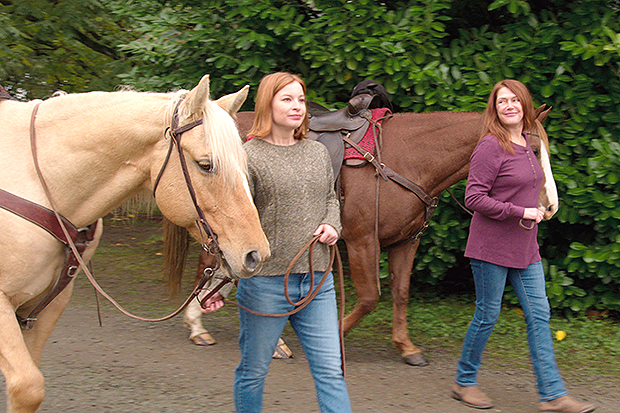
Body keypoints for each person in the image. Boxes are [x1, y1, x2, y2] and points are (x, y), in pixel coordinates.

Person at [201, 72, 352, 413]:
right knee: (254, 372)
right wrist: (218, 286)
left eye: (300, 99)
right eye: (287, 99)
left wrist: (332, 224)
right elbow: (232, 226)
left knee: (331, 372)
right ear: (267, 104)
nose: (297, 106)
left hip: (318, 283)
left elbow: (330, 198)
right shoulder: (247, 156)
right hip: (265, 284)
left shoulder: (316, 152)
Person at [451, 79, 595, 413]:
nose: (510, 106)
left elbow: (532, 185)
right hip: (490, 247)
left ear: (526, 105)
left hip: (525, 247)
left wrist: (539, 209)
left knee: (539, 315)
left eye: (515, 100)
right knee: (487, 314)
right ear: (495, 109)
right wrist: (520, 211)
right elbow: (474, 197)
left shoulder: (530, 144)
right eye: (503, 102)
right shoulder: (490, 146)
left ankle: (553, 395)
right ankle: (464, 381)